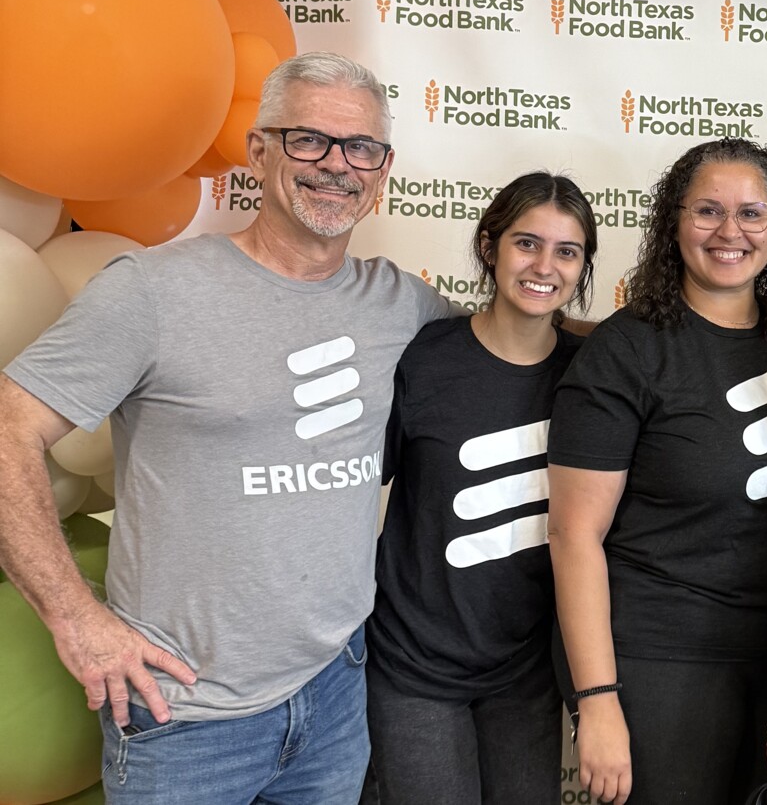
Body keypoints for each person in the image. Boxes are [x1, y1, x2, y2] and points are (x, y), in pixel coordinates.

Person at [0, 52, 450, 803]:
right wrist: (75, 618)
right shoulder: (153, 292)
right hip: (183, 717)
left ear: (382, 168)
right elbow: (9, 430)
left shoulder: (402, 306)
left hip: (335, 695)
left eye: (360, 148)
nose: (336, 165)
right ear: (259, 149)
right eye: (308, 139)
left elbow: (516, 349)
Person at [546, 138, 767, 805]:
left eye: (752, 213)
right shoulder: (627, 351)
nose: (730, 232)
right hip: (659, 664)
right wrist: (599, 703)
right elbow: (574, 537)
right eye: (708, 211)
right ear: (673, 223)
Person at [363, 172, 598, 805]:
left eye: (567, 251)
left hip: (525, 675)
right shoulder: (424, 359)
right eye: (527, 243)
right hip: (414, 667)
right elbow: (349, 495)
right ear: (490, 246)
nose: (544, 266)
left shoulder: (593, 377)